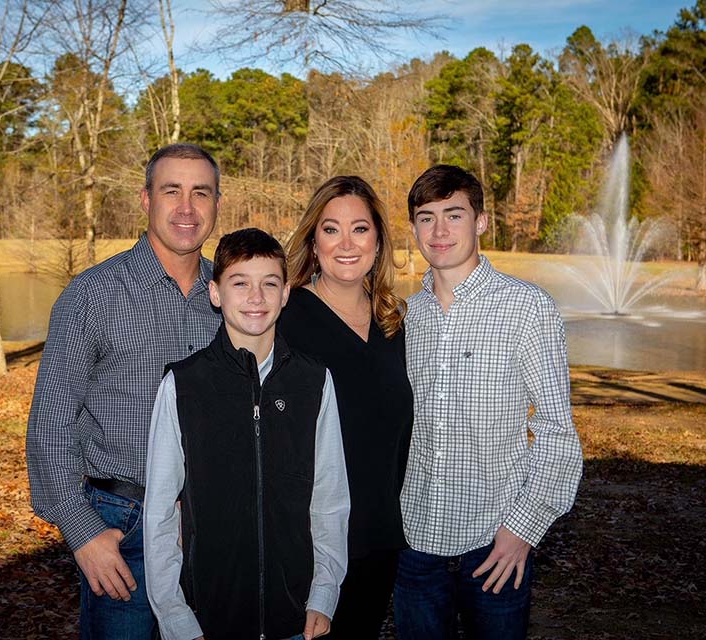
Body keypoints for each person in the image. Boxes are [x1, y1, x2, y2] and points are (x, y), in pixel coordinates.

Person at [26, 143, 223, 639]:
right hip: (122, 526)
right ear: (146, 199)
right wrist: (83, 532)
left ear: (217, 203)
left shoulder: (232, 296)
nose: (186, 207)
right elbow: (50, 424)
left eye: (201, 192)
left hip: (210, 527)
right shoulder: (93, 295)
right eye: (171, 191)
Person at [394, 164, 584, 640]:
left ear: (480, 221)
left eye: (454, 215)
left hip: (495, 543)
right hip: (415, 544)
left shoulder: (527, 307)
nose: (439, 231)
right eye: (426, 217)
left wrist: (524, 528)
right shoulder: (405, 316)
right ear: (413, 228)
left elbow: (557, 430)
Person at [144, 228, 350, 640]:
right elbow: (160, 513)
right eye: (240, 283)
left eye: (269, 284)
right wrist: (175, 616)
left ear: (285, 294)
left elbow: (330, 499)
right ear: (215, 293)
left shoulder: (313, 381)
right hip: (209, 619)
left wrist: (324, 593)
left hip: (294, 617)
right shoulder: (184, 386)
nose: (256, 297)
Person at [278, 176, 414, 639]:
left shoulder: (394, 323)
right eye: (331, 229)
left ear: (378, 241)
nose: (347, 243)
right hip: (307, 547)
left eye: (360, 229)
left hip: (378, 540)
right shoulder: (284, 319)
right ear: (313, 242)